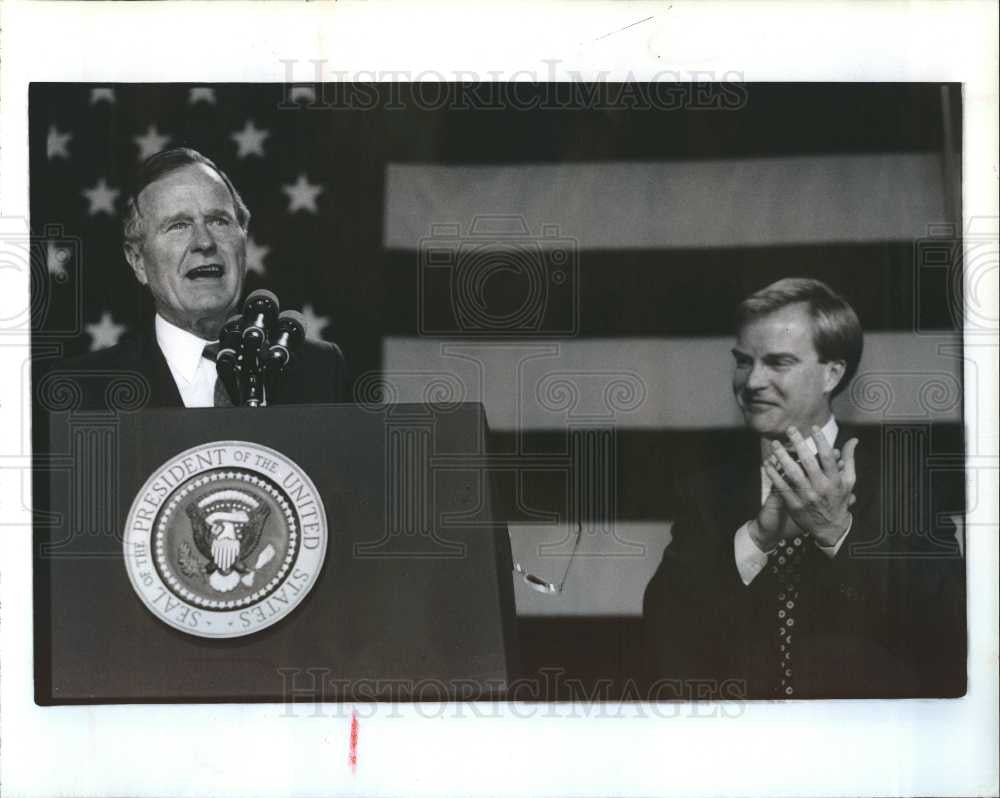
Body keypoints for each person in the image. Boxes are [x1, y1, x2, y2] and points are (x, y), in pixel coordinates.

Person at [642, 278, 965, 699]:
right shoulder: (703, 491)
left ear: (832, 372)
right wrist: (756, 538)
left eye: (778, 362)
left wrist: (836, 531)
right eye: (743, 361)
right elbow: (663, 634)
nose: (752, 381)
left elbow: (950, 634)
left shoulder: (906, 483)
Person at [48, 147, 349, 410]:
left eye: (219, 220)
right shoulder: (82, 390)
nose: (204, 242)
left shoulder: (319, 371)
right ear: (138, 260)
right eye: (178, 226)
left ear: (243, 239)